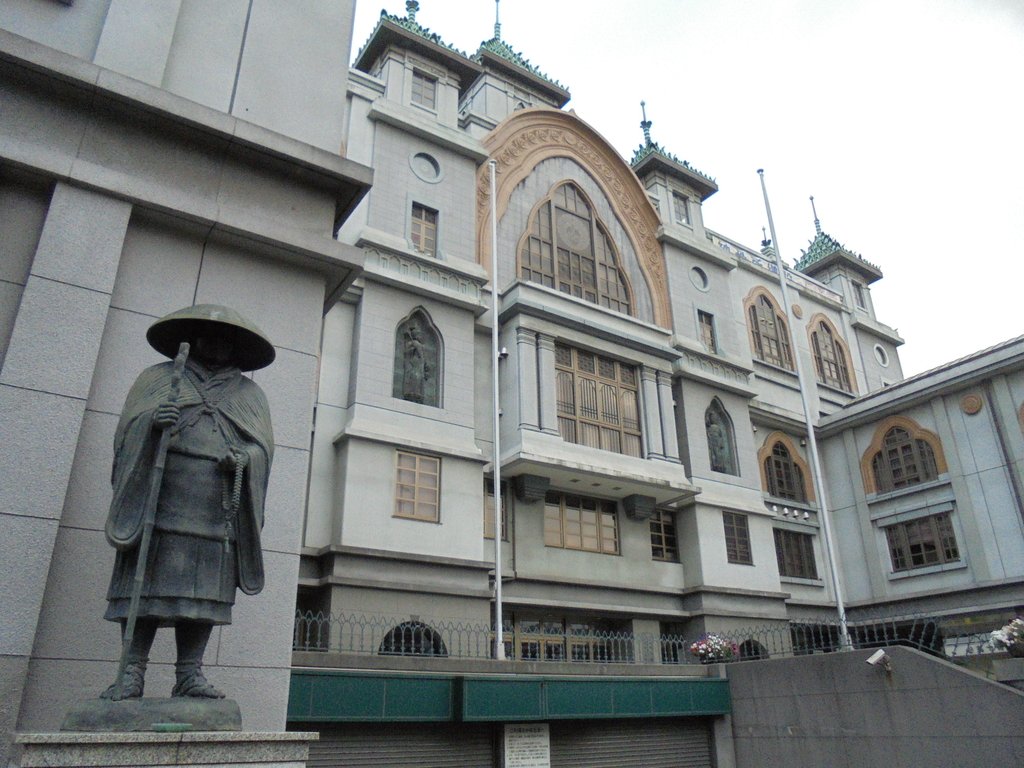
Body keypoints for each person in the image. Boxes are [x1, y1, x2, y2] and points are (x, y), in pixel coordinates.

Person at [102, 305, 275, 700]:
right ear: (192, 338)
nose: (215, 344)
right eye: (207, 335)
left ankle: (189, 672)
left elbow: (262, 447)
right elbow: (127, 430)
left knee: (205, 595)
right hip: (160, 503)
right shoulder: (161, 378)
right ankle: (131, 671)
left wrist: (246, 459)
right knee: (141, 587)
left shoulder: (250, 394)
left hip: (215, 508)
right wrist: (151, 423)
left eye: (225, 338)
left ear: (237, 347)